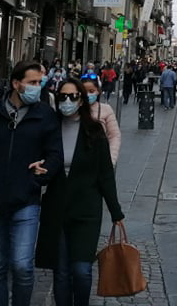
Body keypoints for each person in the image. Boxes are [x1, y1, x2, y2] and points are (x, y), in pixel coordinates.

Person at [0, 60, 63, 306]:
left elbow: (55, 155)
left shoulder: (45, 115)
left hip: (26, 200)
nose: (37, 87)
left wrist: (39, 177)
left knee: (22, 266)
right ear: (16, 84)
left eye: (39, 82)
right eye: (32, 82)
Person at [35, 78, 124, 306]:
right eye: (63, 96)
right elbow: (38, 160)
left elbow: (105, 174)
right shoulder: (50, 129)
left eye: (73, 96)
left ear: (81, 100)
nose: (67, 101)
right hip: (57, 209)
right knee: (61, 272)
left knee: (82, 270)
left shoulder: (94, 130)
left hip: (86, 210)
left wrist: (116, 212)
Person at [79, 74, 121, 165]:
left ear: (98, 91)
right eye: (84, 91)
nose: (87, 94)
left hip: (99, 160)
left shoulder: (106, 109)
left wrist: (111, 160)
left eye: (91, 91)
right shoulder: (76, 109)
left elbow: (114, 136)